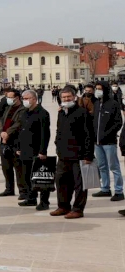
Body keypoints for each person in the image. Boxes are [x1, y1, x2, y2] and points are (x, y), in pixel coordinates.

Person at [50, 87, 95, 219]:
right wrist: (57, 145)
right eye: (64, 97)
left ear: (74, 97)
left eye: (69, 97)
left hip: (79, 155)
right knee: (61, 181)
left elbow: (89, 135)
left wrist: (88, 155)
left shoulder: (82, 113)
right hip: (63, 155)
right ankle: (63, 206)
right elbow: (59, 131)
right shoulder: (61, 113)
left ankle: (78, 209)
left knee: (79, 185)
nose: (66, 99)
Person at [16, 90, 52, 210]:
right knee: (27, 176)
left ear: (34, 99)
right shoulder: (24, 113)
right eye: (23, 98)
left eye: (27, 98)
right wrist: (18, 147)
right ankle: (31, 198)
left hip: (36, 150)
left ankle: (44, 201)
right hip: (25, 150)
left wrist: (43, 151)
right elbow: (21, 131)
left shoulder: (42, 113)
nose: (24, 100)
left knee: (40, 177)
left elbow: (45, 134)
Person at [90, 82, 124, 201]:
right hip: (97, 143)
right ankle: (105, 188)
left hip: (109, 142)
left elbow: (118, 122)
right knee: (102, 166)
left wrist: (108, 134)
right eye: (96, 89)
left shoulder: (113, 104)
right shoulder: (96, 104)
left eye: (100, 89)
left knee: (114, 166)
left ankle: (119, 191)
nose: (97, 91)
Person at [0, 90, 24, 198]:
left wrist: (7, 133)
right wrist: (1, 133)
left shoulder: (23, 109)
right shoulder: (7, 108)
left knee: (18, 167)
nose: (8, 99)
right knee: (6, 166)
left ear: (17, 98)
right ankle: (9, 188)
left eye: (10, 97)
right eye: (7, 97)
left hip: (15, 141)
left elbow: (19, 124)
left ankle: (22, 190)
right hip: (4, 141)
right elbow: (1, 122)